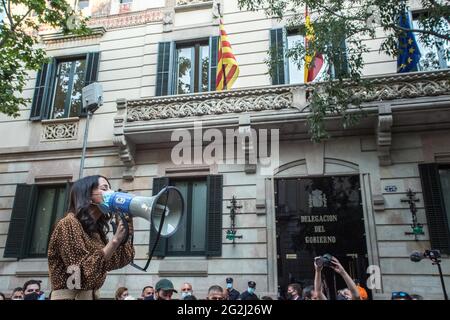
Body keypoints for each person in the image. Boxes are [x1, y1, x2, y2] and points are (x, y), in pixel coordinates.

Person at [47, 175, 135, 300]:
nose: (111, 193)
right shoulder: (68, 223)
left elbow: (120, 260)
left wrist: (126, 236)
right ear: (87, 196)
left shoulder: (95, 232)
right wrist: (114, 241)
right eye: (104, 189)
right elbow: (79, 273)